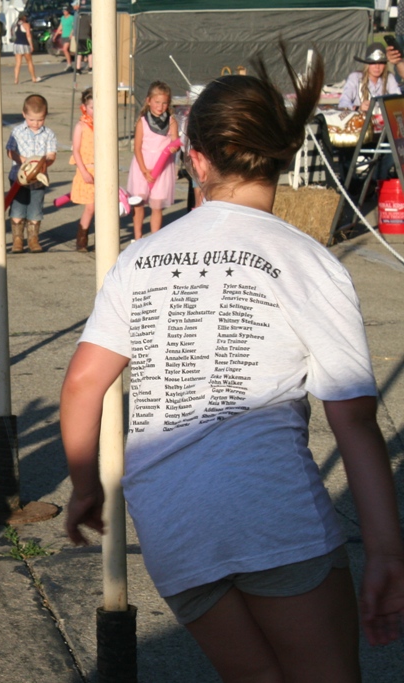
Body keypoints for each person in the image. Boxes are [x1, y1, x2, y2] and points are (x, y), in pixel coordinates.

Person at [60, 46, 404, 682]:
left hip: (170, 518)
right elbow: (354, 419)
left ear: (195, 159)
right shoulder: (308, 261)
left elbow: (83, 384)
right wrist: (386, 550)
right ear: (282, 153)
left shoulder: (140, 259)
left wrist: (86, 486)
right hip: (271, 507)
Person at [127, 81, 179, 239]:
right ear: (148, 101)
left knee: (157, 205)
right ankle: (138, 237)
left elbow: (175, 142)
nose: (160, 106)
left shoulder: (171, 121)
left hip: (162, 167)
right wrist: (144, 170)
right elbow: (137, 148)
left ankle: (154, 238)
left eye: (164, 103)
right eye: (157, 102)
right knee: (138, 203)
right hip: (143, 166)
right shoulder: (142, 122)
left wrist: (174, 148)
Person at [6, 93, 56, 253]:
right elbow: (10, 151)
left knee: (36, 208)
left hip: (39, 178)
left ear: (45, 116)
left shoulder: (48, 134)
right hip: (19, 176)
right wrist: (23, 160)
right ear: (24, 114)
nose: (36, 123)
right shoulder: (17, 131)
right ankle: (17, 239)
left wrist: (44, 164)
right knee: (18, 207)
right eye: (32, 119)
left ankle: (33, 239)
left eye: (40, 120)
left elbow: (51, 154)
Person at [339, 42, 400, 112]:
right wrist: (359, 108)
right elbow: (343, 103)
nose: (377, 67)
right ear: (367, 64)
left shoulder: (389, 77)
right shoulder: (355, 77)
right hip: (360, 117)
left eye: (381, 63)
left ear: (385, 65)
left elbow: (398, 101)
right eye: (373, 63)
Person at [69, 87, 95, 252]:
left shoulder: (104, 124)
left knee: (103, 206)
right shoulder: (81, 126)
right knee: (91, 207)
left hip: (102, 170)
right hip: (87, 169)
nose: (95, 111)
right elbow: (76, 151)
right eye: (92, 107)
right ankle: (82, 239)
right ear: (84, 107)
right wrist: (84, 172)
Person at [12, 13, 40, 85]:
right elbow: (28, 35)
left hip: (16, 45)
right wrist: (31, 45)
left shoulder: (15, 25)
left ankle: (16, 79)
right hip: (24, 44)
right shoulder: (26, 25)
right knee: (29, 62)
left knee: (18, 63)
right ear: (24, 17)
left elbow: (12, 34)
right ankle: (33, 78)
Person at [51, 4, 75, 73]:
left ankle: (69, 64)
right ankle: (69, 64)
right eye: (63, 11)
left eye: (65, 11)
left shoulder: (72, 18)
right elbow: (60, 26)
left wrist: (71, 34)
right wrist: (55, 35)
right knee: (66, 50)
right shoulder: (62, 18)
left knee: (65, 49)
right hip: (63, 35)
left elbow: (74, 27)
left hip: (69, 36)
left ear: (68, 11)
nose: (64, 12)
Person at [73, 3, 92, 74]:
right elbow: (92, 25)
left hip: (78, 37)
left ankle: (78, 69)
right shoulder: (88, 16)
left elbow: (74, 26)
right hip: (86, 37)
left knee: (79, 53)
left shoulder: (77, 17)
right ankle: (91, 68)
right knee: (90, 52)